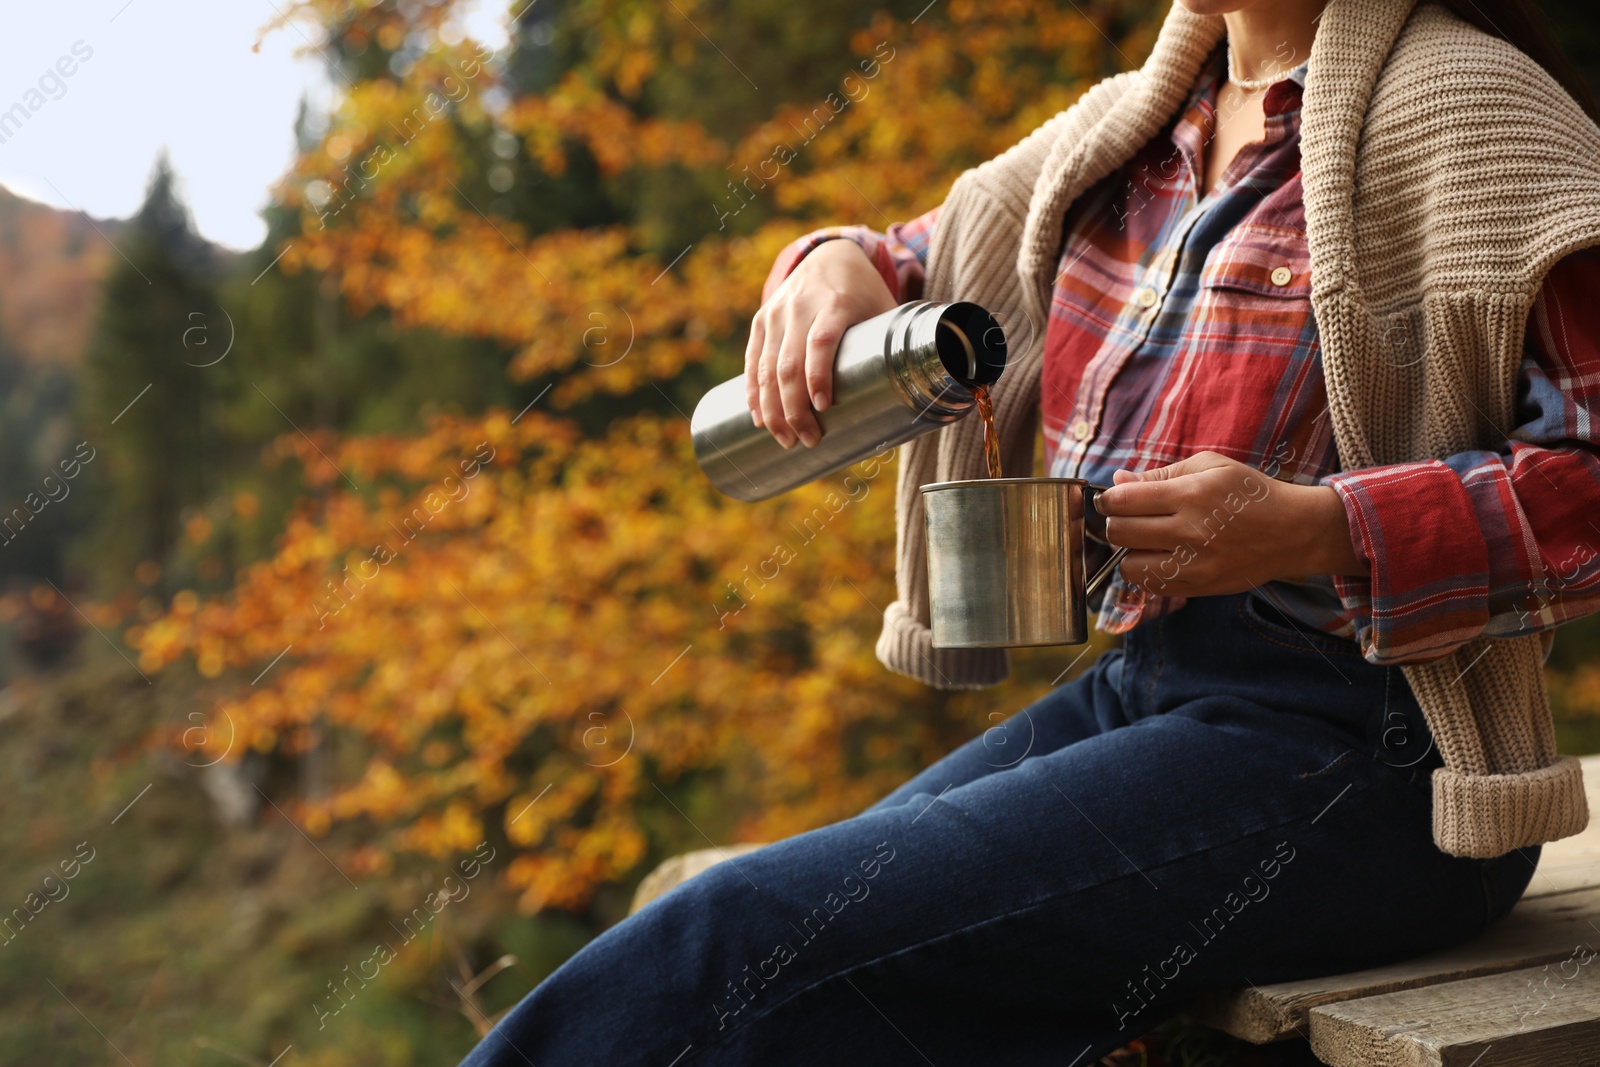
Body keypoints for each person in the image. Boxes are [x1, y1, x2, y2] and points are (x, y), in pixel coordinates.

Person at [460, 0, 1600, 1062]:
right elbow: (917, 250)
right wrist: (831, 262)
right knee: (782, 959)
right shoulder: (1141, 126)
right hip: (1145, 693)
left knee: (735, 935)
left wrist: (1318, 527)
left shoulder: (1478, 116)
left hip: (1376, 757)